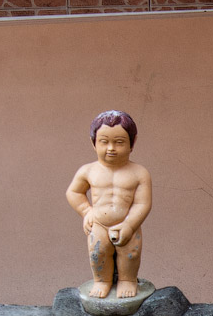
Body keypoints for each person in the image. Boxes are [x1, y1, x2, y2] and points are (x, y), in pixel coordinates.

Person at [65, 110, 152, 300]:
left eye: (119, 142)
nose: (111, 148)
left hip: (128, 224)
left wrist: (129, 225)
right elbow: (73, 192)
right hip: (98, 224)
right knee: (98, 252)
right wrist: (86, 211)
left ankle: (128, 280)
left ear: (132, 143)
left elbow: (143, 203)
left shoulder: (139, 173)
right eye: (104, 141)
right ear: (93, 143)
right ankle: (102, 281)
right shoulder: (88, 171)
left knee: (131, 254)